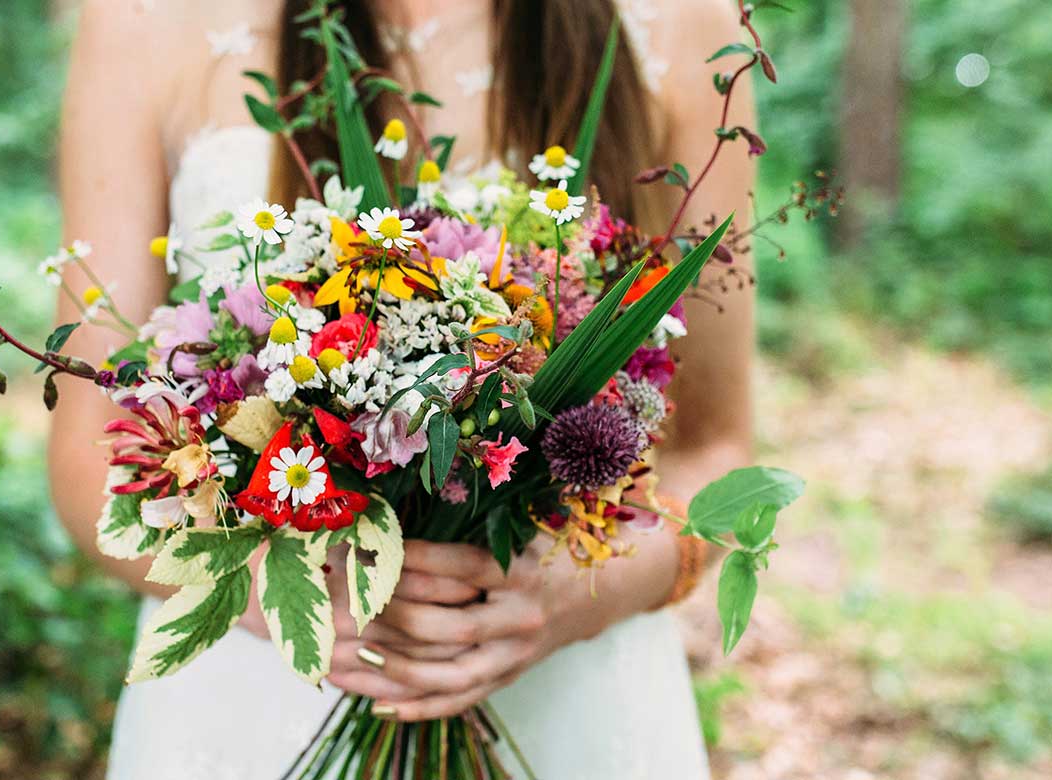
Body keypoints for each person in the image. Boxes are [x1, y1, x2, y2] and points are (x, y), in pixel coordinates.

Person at [48, 1, 755, 777]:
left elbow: (717, 445)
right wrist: (281, 596)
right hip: (255, 697)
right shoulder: (141, 20)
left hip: (571, 697)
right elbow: (91, 456)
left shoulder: (684, 20)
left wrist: (577, 595)